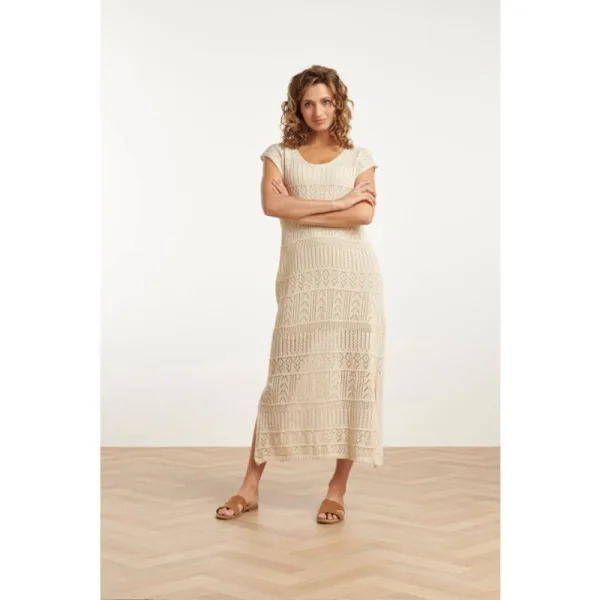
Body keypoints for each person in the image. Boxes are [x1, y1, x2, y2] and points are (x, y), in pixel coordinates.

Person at [216, 65, 385, 524]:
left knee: (353, 380)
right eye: (308, 103)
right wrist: (338, 202)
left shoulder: (359, 158)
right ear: (296, 107)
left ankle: (337, 489)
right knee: (282, 382)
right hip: (301, 281)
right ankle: (249, 487)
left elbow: (363, 217)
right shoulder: (280, 155)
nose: (318, 111)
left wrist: (303, 209)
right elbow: (273, 205)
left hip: (353, 281)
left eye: (326, 101)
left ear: (339, 104)